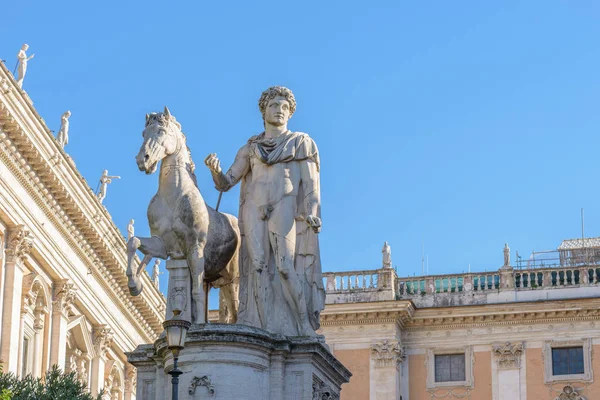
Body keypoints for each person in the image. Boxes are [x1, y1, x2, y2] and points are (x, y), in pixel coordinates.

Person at [205, 86, 324, 336]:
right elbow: (226, 182)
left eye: (284, 107)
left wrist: (313, 212)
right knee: (256, 267)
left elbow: (312, 186)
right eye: (273, 106)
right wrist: (215, 170)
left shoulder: (301, 143)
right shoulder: (251, 148)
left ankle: (302, 323)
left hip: (285, 206)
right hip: (253, 208)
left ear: (290, 113)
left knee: (284, 266)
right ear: (263, 111)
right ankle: (260, 325)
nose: (279, 111)